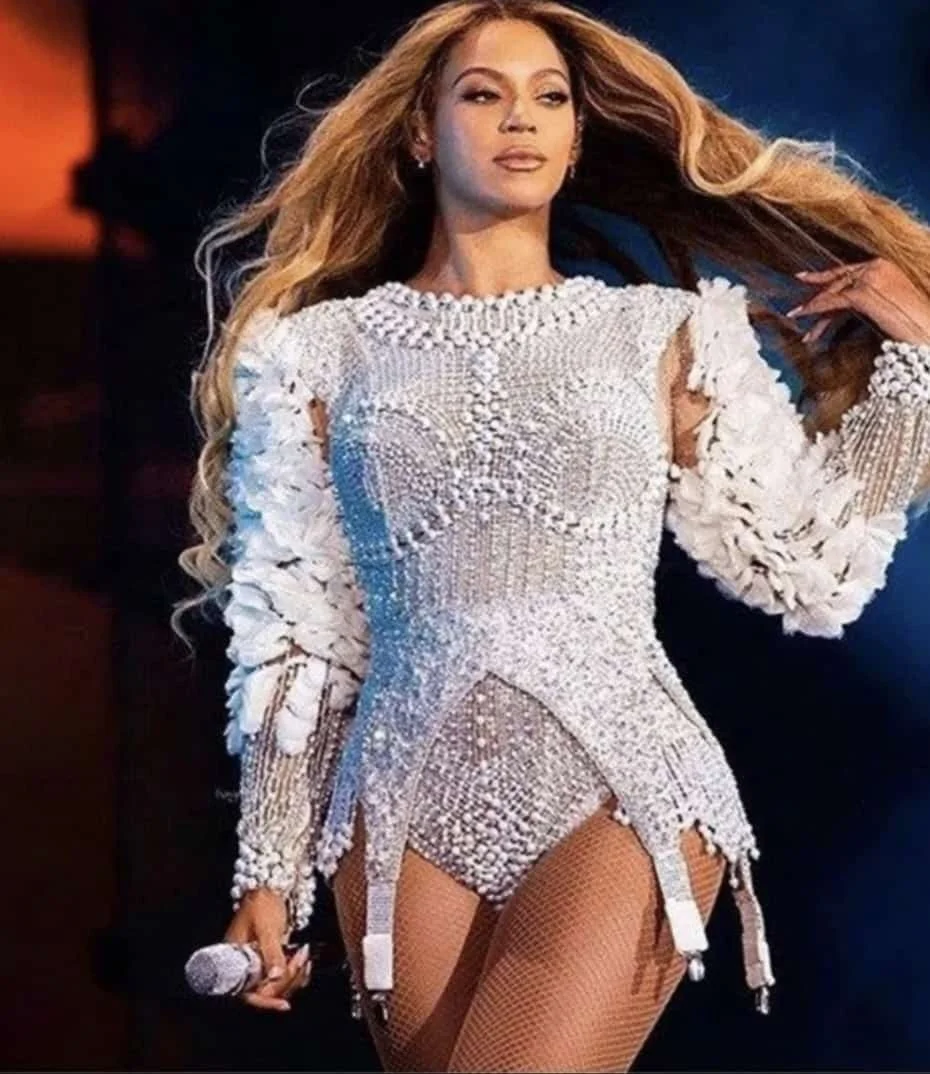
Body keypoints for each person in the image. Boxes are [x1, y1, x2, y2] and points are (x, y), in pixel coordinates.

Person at [172, 1, 930, 1069]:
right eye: (483, 94)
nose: (520, 118)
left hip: (620, 786)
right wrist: (268, 874)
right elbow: (298, 637)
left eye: (550, 97)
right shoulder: (314, 353)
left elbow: (811, 565)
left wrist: (919, 358)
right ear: (422, 133)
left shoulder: (664, 332)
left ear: (576, 139)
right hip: (401, 804)